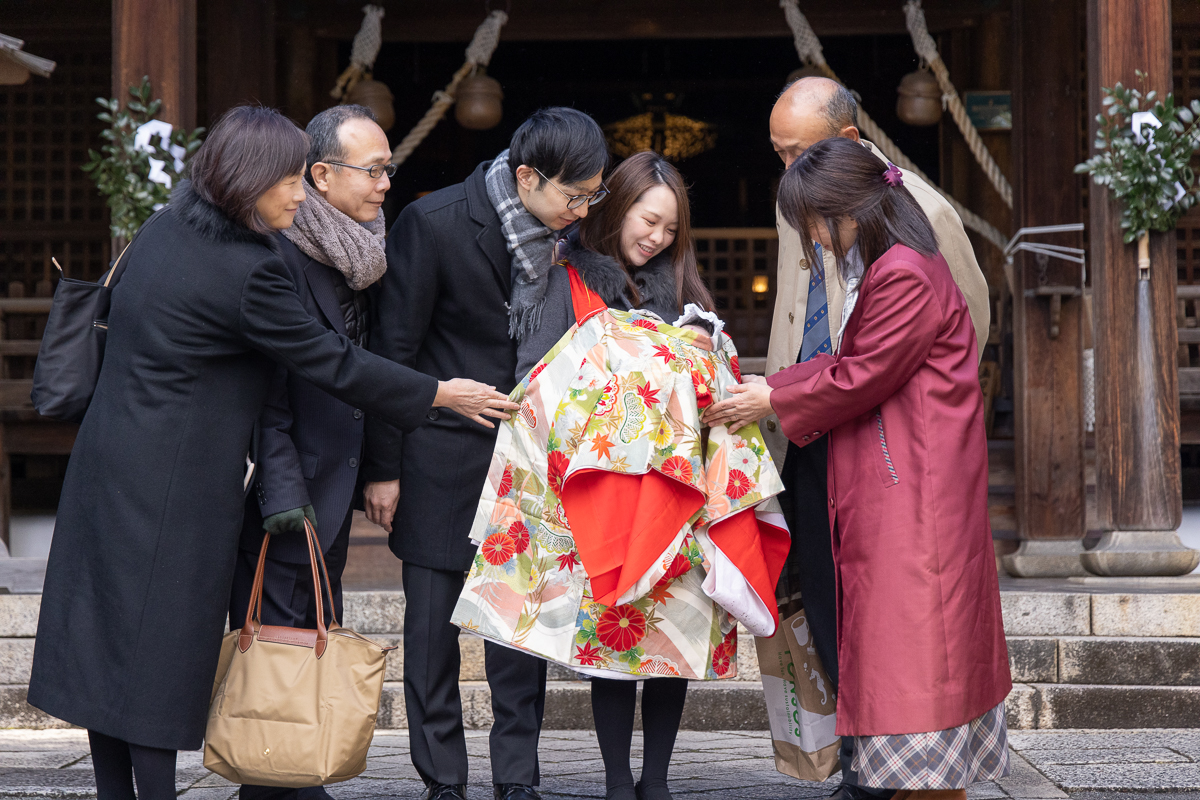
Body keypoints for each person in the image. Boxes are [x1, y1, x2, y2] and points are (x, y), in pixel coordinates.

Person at [26, 106, 516, 800]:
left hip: (107, 467)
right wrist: (441, 393)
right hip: (177, 487)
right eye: (289, 181)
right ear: (249, 179)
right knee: (159, 662)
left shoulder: (164, 229)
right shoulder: (249, 271)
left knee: (109, 648)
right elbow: (334, 363)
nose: (298, 194)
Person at [451, 151, 787, 800]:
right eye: (647, 220)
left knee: (673, 633)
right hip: (597, 491)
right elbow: (538, 377)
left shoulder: (688, 295)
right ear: (617, 207)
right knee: (614, 637)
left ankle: (654, 779)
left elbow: (714, 382)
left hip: (678, 494)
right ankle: (612, 779)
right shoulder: (565, 278)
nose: (657, 238)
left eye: (669, 228)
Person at [703, 137, 1012, 800]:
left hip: (914, 485)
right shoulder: (898, 262)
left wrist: (773, 395)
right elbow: (854, 364)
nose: (810, 235)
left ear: (846, 209)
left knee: (915, 644)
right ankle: (908, 781)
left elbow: (861, 373)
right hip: (909, 474)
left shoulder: (901, 271)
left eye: (812, 221)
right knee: (910, 642)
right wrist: (774, 384)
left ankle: (920, 781)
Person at [361, 107, 609, 800]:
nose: (583, 210)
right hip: (441, 457)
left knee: (517, 638)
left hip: (530, 465)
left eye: (593, 196)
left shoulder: (572, 238)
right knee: (432, 637)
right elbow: (394, 352)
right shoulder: (435, 223)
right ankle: (442, 780)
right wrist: (382, 468)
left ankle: (517, 781)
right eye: (574, 195)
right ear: (527, 177)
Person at [761, 76, 991, 800]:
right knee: (832, 599)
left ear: (850, 146)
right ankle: (865, 759)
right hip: (816, 426)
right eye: (779, 154)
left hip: (890, 438)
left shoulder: (917, 223)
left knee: (901, 616)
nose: (786, 170)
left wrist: (915, 419)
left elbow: (954, 329)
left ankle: (890, 766)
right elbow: (804, 322)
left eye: (799, 153)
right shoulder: (811, 203)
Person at [228, 104, 396, 800]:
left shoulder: (363, 253)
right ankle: (269, 773)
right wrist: (283, 492)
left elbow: (374, 361)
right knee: (276, 636)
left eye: (391, 167)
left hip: (337, 473)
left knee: (315, 627)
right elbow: (265, 394)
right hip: (287, 485)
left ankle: (293, 767)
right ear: (320, 176)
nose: (386, 183)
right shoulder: (280, 254)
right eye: (374, 169)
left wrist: (381, 467)